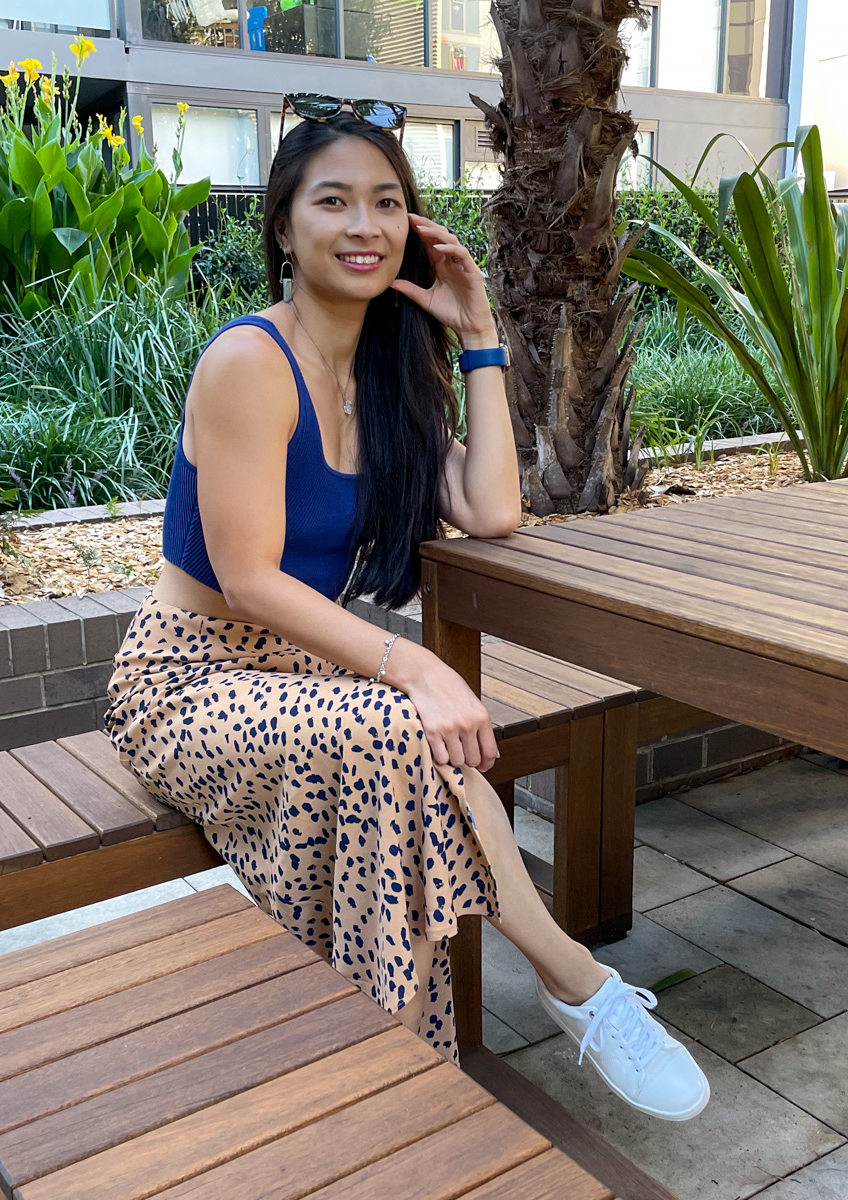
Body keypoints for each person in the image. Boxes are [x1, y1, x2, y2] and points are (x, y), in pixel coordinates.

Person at [105, 100, 708, 1121]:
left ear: (414, 231)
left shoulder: (390, 375)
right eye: (331, 201)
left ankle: (392, 1075)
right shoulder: (251, 361)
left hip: (310, 677)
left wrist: (476, 335)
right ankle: (572, 984)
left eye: (386, 203)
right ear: (284, 228)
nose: (363, 226)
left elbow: (493, 512)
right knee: (413, 723)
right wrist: (413, 664)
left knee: (413, 746)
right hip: (188, 679)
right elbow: (248, 578)